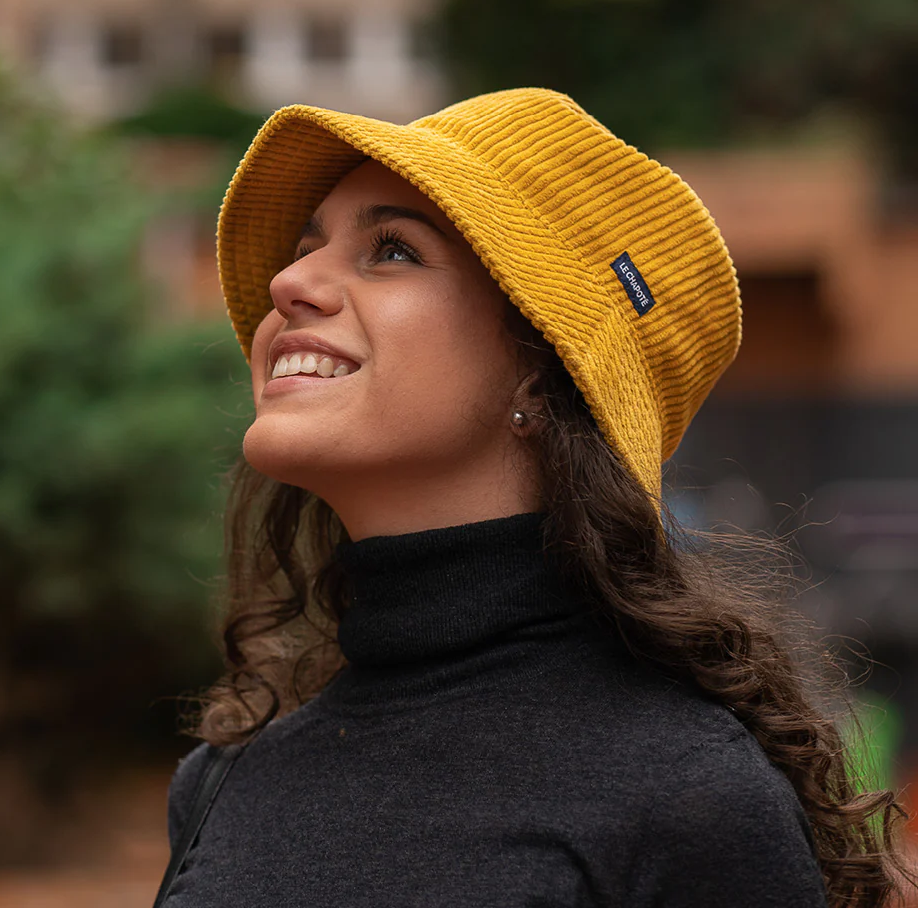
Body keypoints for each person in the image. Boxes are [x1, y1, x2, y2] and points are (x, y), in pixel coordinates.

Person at [159, 89, 906, 907]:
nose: (290, 280)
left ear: (541, 376)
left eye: (393, 251)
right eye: (307, 247)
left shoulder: (686, 796)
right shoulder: (221, 783)